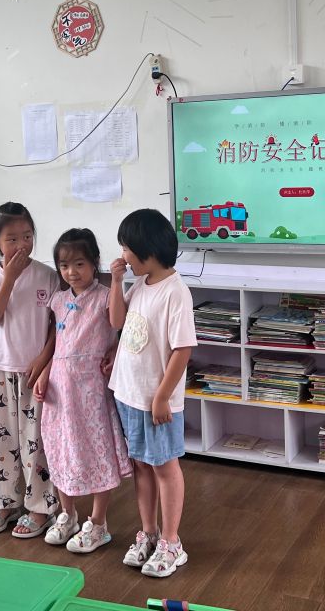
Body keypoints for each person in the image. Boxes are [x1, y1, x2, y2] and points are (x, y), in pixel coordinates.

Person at [108, 208, 197, 578]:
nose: (123, 256)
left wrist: (161, 397)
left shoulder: (176, 292)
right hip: (128, 394)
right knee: (142, 465)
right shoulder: (141, 284)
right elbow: (116, 321)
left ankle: (172, 542)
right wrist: (116, 282)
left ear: (147, 249)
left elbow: (183, 349)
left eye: (127, 248)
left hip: (155, 401)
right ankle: (149, 532)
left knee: (164, 467)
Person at [33, 228, 132, 552]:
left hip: (90, 391)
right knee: (60, 449)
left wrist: (116, 281)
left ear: (93, 263)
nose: (71, 272)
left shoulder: (104, 296)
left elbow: (117, 323)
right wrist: (45, 373)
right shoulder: (58, 300)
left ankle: (98, 523)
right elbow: (59, 345)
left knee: (96, 451)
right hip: (59, 391)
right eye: (64, 265)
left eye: (79, 264)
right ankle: (68, 515)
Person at [0, 202, 60, 537]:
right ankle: (5, 503)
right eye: (11, 239)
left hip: (35, 374)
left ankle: (40, 508)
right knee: (0, 442)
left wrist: (44, 360)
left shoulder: (47, 275)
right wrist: (8, 277)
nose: (21, 244)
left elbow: (58, 325)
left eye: (27, 236)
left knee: (36, 443)